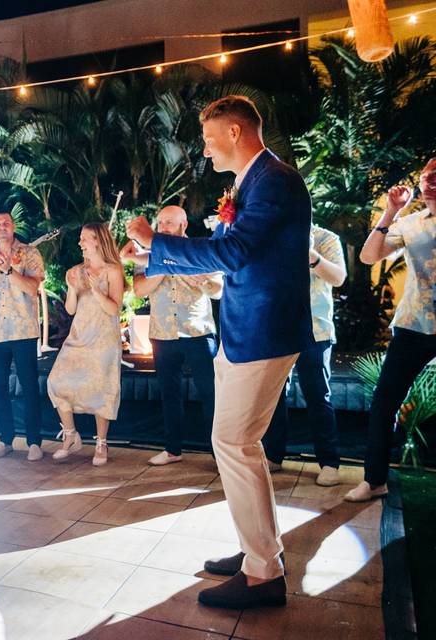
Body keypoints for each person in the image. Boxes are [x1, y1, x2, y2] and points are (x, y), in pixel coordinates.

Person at [124, 95, 314, 609]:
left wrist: (155, 242)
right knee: (236, 444)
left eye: (209, 138)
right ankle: (261, 553)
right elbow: (225, 254)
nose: (204, 149)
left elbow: (231, 253)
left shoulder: (274, 181)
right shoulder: (253, 182)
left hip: (264, 331)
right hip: (242, 331)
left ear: (234, 131)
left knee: (233, 443)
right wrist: (150, 252)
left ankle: (263, 574)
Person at [346, 158, 436, 502]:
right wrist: (390, 212)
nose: (430, 182)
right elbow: (369, 257)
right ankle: (375, 480)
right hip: (414, 324)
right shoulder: (411, 223)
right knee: (384, 403)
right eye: (427, 177)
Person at [129, 206, 222, 466]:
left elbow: (218, 291)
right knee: (169, 394)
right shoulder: (147, 255)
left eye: (169, 222)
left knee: (211, 393)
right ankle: (172, 450)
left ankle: (220, 454)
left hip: (199, 332)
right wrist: (163, 261)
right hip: (162, 333)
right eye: (159, 223)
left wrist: (197, 278)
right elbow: (138, 290)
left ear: (183, 226)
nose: (163, 227)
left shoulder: (201, 250)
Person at [262, 224, 346, 486]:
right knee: (274, 396)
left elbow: (339, 277)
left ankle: (329, 463)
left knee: (318, 396)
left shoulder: (326, 238)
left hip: (315, 330)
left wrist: (312, 256)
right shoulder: (270, 235)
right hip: (278, 330)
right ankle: (274, 456)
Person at [47, 223, 124, 466]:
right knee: (56, 381)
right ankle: (71, 435)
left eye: (84, 239)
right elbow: (70, 309)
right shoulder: (76, 271)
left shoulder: (113, 271)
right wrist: (71, 287)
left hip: (104, 338)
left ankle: (101, 443)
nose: (80, 243)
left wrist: (96, 289)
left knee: (102, 388)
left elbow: (114, 309)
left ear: (98, 241)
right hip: (79, 336)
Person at [0, 213, 46, 461]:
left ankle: (34, 441)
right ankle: (5, 439)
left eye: (5, 224)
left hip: (23, 330)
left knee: (29, 385)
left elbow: (33, 288)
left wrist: (8, 271)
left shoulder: (29, 253)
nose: (1, 228)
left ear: (13, 226)